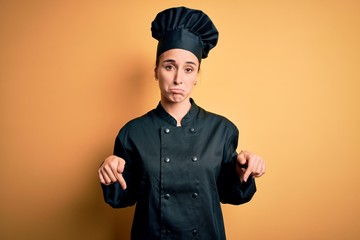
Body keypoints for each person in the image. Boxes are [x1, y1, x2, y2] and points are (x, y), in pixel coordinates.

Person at [98, 6, 265, 240]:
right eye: (169, 66)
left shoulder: (222, 130)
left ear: (197, 76)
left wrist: (242, 170)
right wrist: (110, 170)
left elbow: (232, 194)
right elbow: (123, 197)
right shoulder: (132, 132)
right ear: (156, 71)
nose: (178, 79)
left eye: (188, 69)